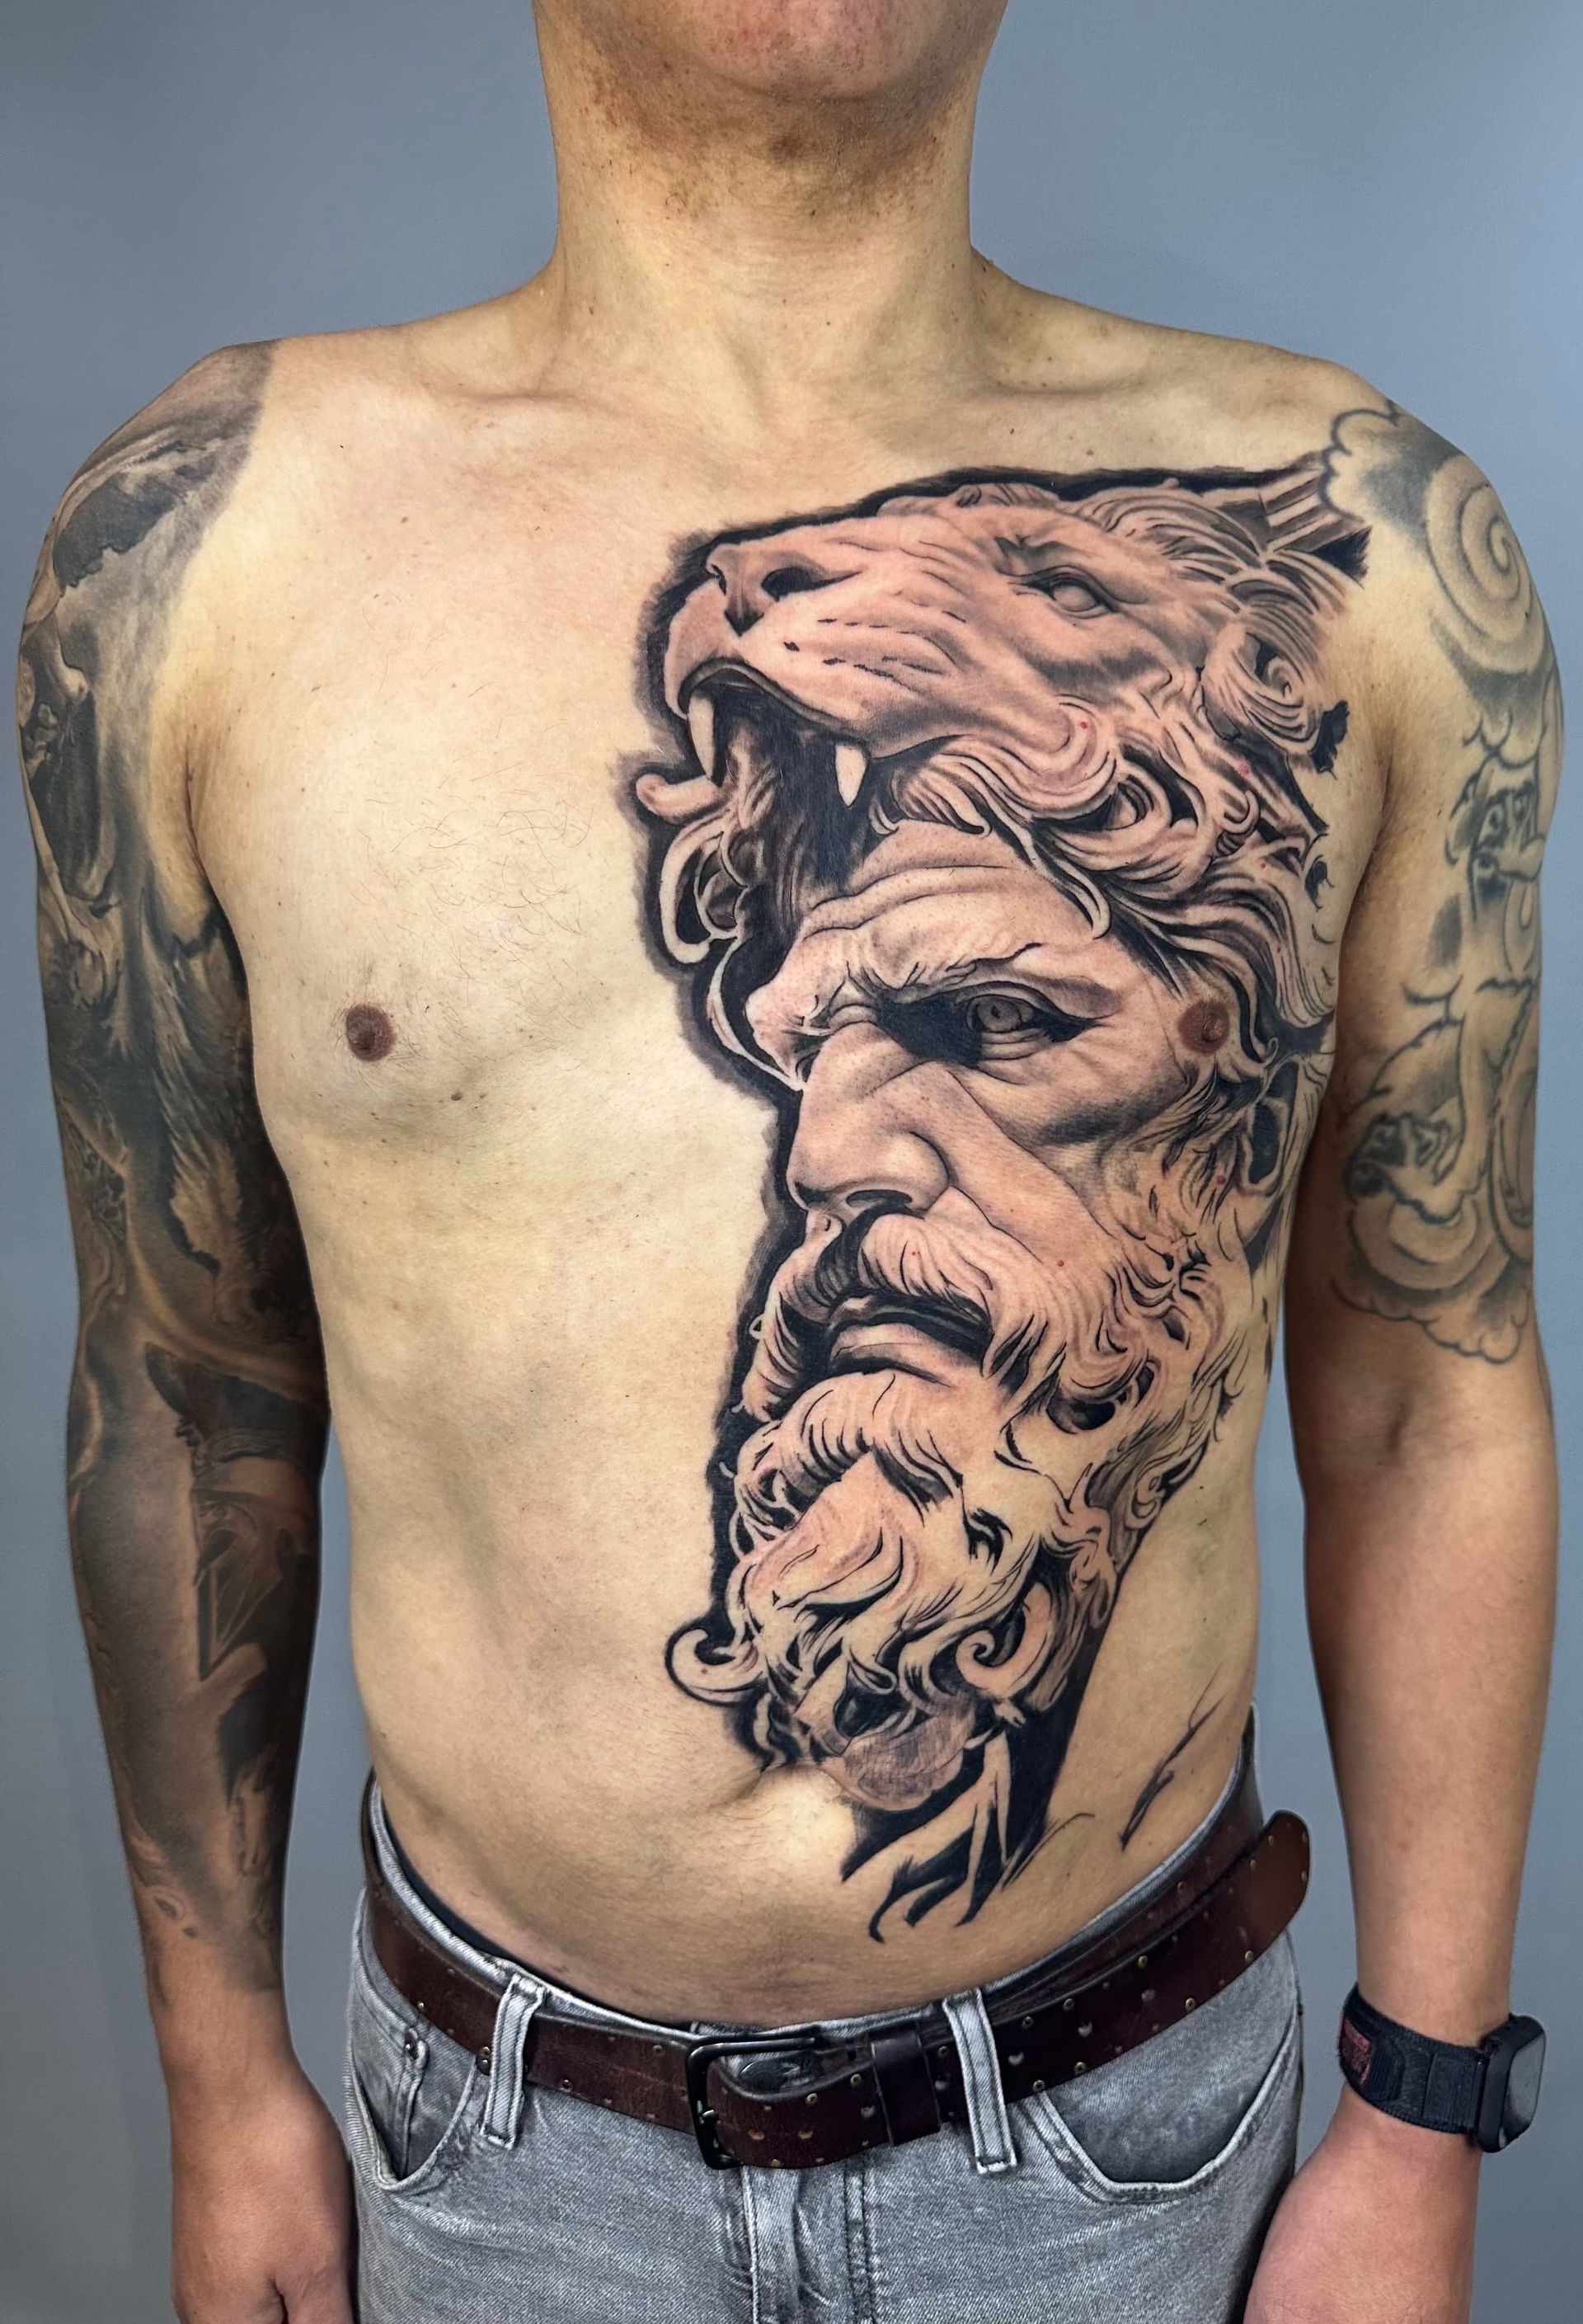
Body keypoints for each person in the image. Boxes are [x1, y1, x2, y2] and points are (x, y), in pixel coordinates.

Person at [16, 3, 1559, 2320]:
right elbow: (181, 1388)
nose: (831, 1152)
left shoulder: (1385, 567)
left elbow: (1430, 1386)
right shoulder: (204, 556)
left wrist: (1425, 2110)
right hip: (499, 2176)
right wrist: (221, 2074)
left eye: (995, 1023)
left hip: (1137, 2166)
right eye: (809, 1036)